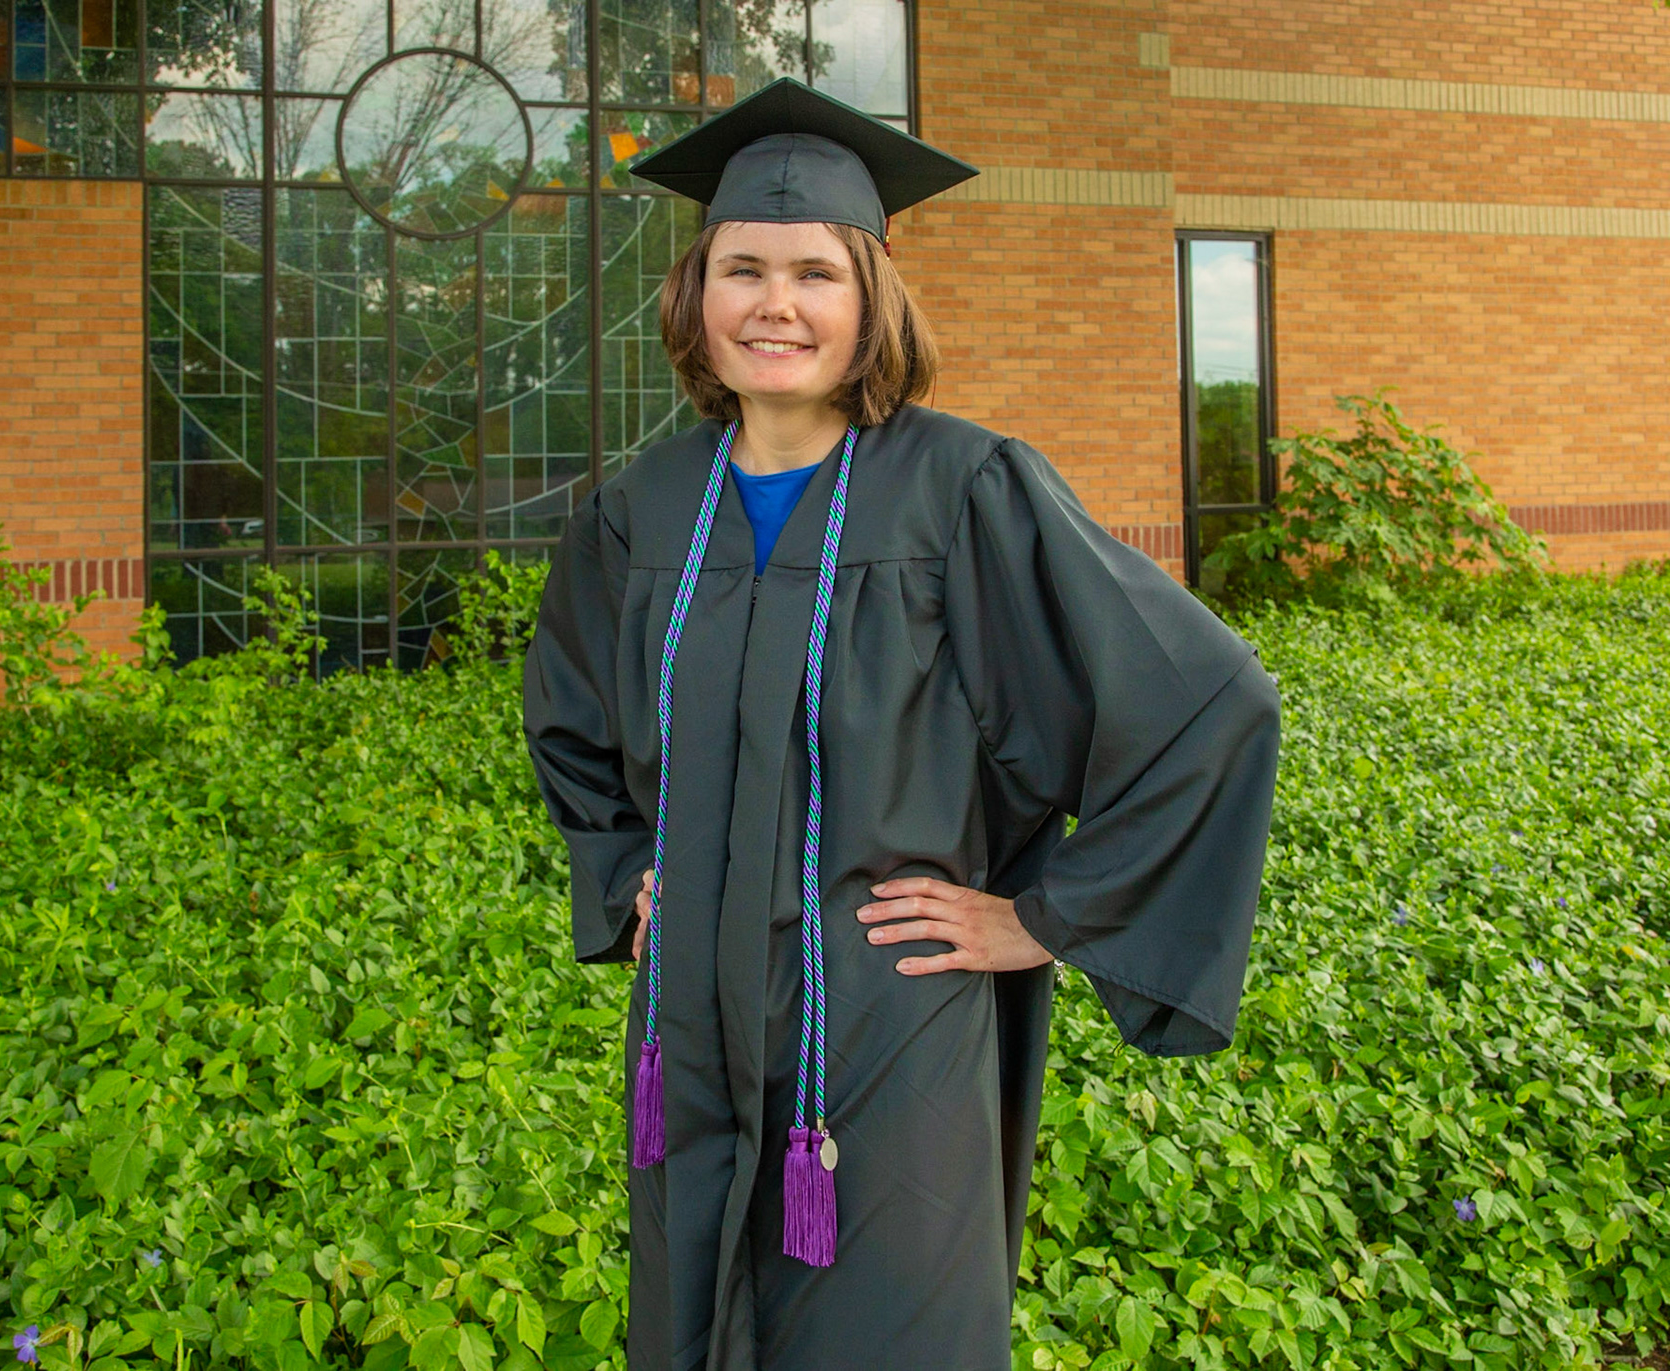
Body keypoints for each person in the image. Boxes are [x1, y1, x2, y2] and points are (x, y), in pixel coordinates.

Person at [522, 78, 1281, 1371]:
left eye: (815, 272)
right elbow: (574, 724)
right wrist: (629, 870)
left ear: (871, 297)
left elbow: (1211, 702)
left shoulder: (963, 488)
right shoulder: (637, 514)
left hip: (884, 1030)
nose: (776, 304)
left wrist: (1038, 917)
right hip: (691, 1028)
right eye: (741, 268)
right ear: (694, 297)